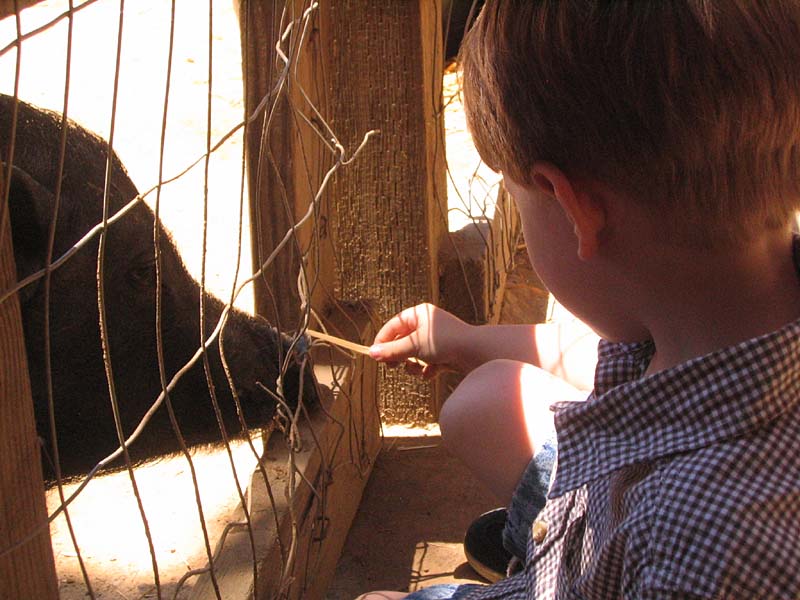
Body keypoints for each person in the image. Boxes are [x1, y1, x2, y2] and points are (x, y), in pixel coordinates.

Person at [358, 0, 800, 598]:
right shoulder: (721, 298)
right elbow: (591, 351)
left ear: (575, 211)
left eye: (516, 196)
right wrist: (465, 341)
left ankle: (538, 557)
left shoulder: (710, 554)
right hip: (647, 494)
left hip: (646, 538)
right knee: (485, 397)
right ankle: (546, 539)